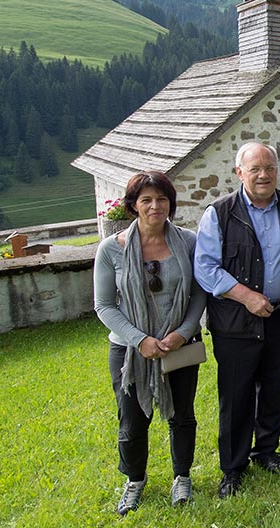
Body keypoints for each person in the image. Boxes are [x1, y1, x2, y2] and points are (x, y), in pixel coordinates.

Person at [193, 142, 280, 498]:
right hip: (236, 323)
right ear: (239, 173)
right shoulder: (218, 214)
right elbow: (205, 267)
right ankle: (232, 468)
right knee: (236, 394)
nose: (264, 175)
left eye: (270, 168)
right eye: (255, 169)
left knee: (274, 387)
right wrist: (245, 296)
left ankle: (266, 451)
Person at [93, 170, 206, 515]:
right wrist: (139, 340)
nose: (155, 206)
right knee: (131, 419)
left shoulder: (188, 241)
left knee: (182, 415)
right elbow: (104, 305)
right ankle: (134, 481)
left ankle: (181, 477)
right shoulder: (111, 249)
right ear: (133, 206)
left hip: (180, 344)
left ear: (170, 203)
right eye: (146, 200)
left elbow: (200, 292)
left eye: (161, 199)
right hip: (128, 350)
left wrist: (183, 332)